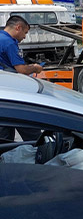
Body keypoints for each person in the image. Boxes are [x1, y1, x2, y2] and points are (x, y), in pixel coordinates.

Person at [0, 15, 43, 143]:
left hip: (3, 94)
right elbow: (21, 70)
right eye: (25, 33)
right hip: (13, 93)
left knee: (4, 135)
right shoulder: (9, 43)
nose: (24, 37)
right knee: (30, 130)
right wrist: (35, 68)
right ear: (18, 27)